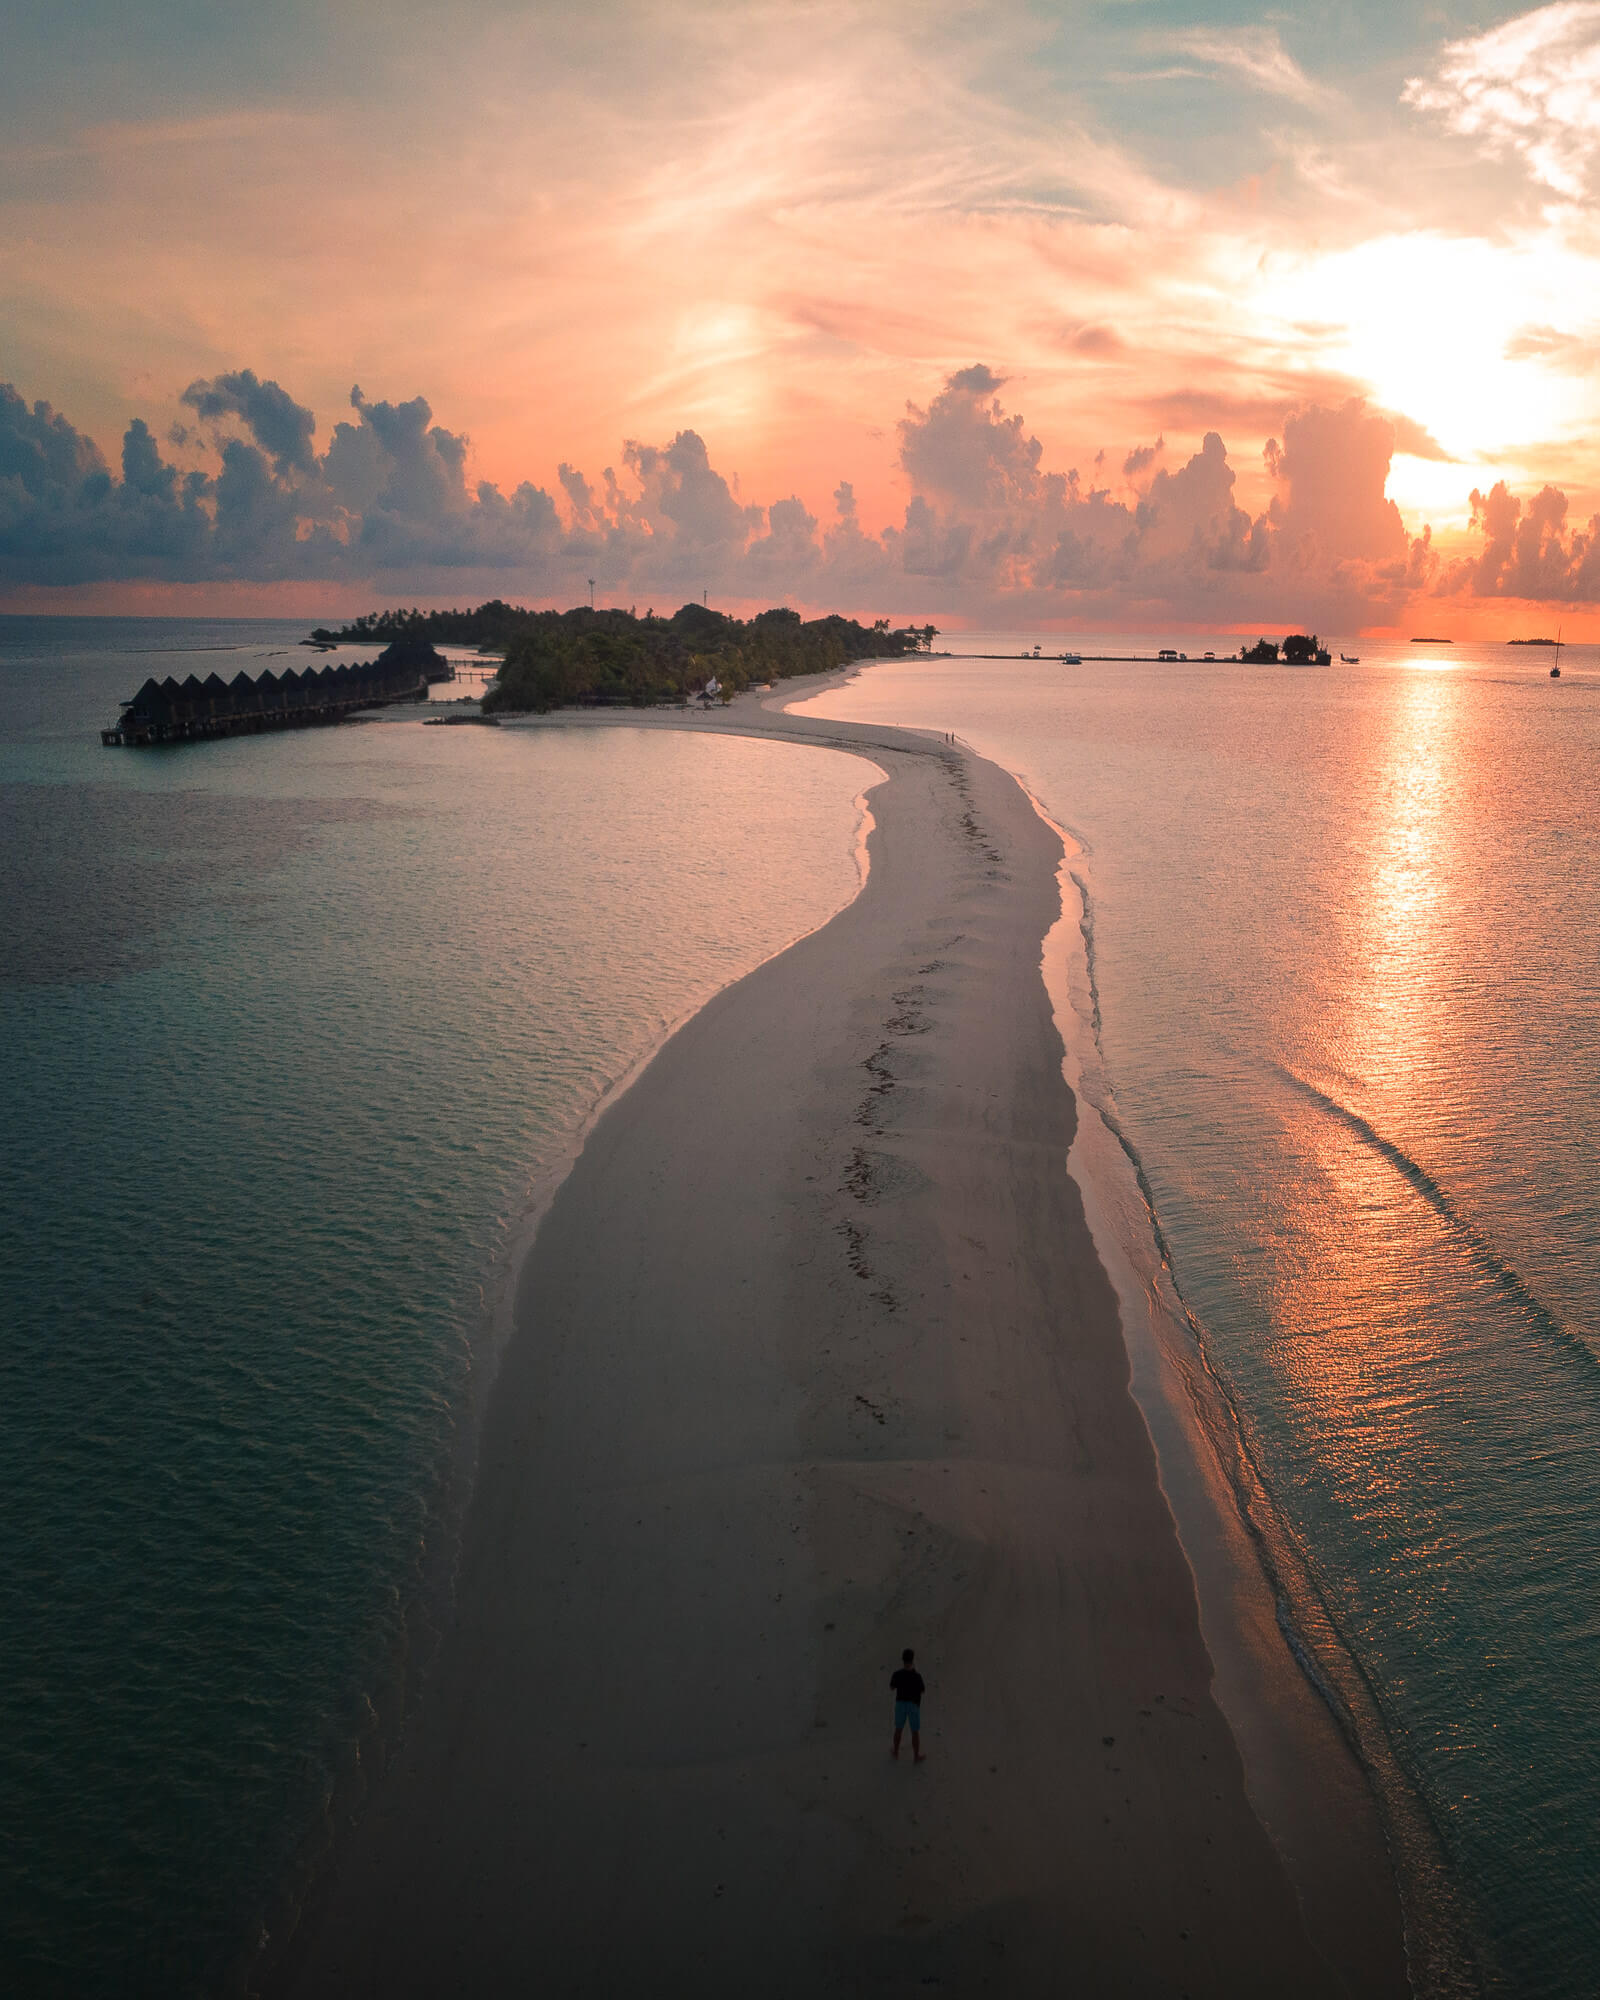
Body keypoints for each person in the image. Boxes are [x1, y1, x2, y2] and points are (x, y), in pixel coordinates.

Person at [890, 1648, 926, 1762]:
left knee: (898, 1729)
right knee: (914, 1732)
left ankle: (895, 1752)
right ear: (912, 1660)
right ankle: (916, 1756)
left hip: (900, 1704)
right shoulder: (917, 1676)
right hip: (913, 1705)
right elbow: (922, 1691)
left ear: (903, 1660)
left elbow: (891, 1687)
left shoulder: (897, 1674)